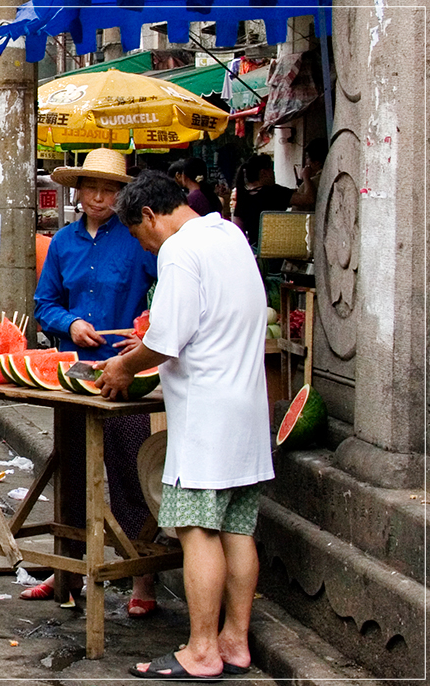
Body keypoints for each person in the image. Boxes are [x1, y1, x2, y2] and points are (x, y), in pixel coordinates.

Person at [98, 171, 273, 679]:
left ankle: (201, 649)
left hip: (204, 417)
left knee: (197, 529)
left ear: (149, 216)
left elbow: (168, 337)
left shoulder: (178, 249)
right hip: (245, 410)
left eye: (138, 235)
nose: (145, 247)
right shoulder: (231, 235)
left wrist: (123, 367)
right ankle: (234, 642)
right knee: (238, 530)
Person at [29, 148, 161, 617]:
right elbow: (44, 303)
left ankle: (142, 579)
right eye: (91, 188)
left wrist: (144, 329)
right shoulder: (62, 242)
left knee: (130, 473)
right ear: (78, 191)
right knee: (72, 475)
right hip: (74, 373)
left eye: (109, 189)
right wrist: (70, 324)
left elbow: (167, 295)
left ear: (122, 194)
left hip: (126, 375)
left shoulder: (135, 239)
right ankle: (65, 572)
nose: (99, 197)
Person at [230, 154, 293, 247]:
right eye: (272, 171)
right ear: (264, 172)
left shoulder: (244, 196)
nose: (274, 175)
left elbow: (237, 227)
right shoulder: (275, 192)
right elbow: (308, 199)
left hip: (255, 249)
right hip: (278, 249)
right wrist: (306, 178)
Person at [290, 138, 328, 211]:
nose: (306, 162)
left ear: (317, 162)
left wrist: (306, 178)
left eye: (307, 157)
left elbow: (296, 212)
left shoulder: (311, 183)